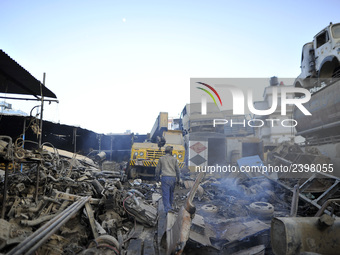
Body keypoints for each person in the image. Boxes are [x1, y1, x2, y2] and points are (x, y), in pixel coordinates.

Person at [155, 146, 181, 214]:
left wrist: (157, 178)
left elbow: (157, 170)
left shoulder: (161, 159)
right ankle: (170, 207)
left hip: (165, 177)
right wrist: (178, 179)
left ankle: (168, 209)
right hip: (173, 178)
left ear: (165, 151)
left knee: (166, 194)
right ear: (171, 151)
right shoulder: (174, 159)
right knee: (171, 193)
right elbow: (178, 170)